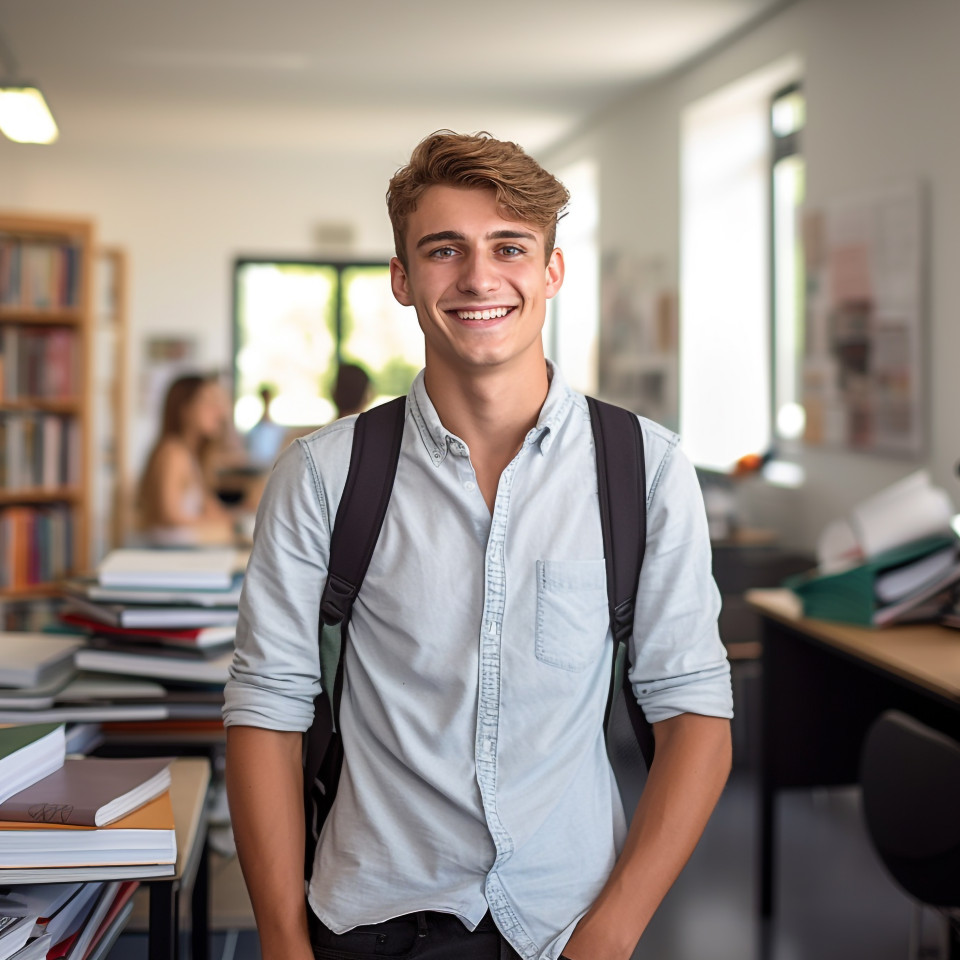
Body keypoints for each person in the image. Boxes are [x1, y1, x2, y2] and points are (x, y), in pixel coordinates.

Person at [223, 131, 733, 960]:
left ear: (552, 273)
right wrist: (283, 944)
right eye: (444, 250)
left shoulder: (645, 470)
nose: (479, 277)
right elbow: (266, 715)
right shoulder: (323, 475)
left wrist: (608, 937)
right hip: (371, 921)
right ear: (402, 278)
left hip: (569, 925)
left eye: (510, 248)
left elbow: (695, 716)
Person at [137, 373, 235, 545]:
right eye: (208, 403)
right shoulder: (173, 452)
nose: (218, 411)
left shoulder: (192, 454)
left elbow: (211, 507)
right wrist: (213, 524)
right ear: (185, 409)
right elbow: (170, 515)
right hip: (168, 549)